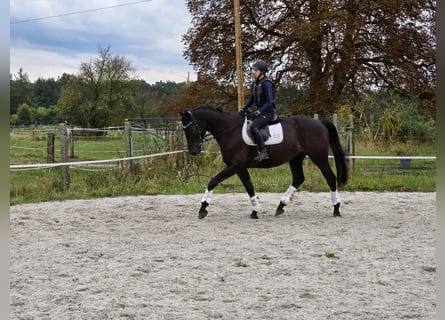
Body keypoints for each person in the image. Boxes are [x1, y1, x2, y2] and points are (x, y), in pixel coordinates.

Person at [239, 59, 276, 161]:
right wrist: (243, 109)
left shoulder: (266, 83)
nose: (253, 72)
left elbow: (269, 102)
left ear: (262, 71)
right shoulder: (255, 83)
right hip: (260, 111)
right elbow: (251, 99)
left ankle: (264, 152)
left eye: (255, 70)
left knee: (253, 127)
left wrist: (258, 112)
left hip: (268, 112)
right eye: (253, 70)